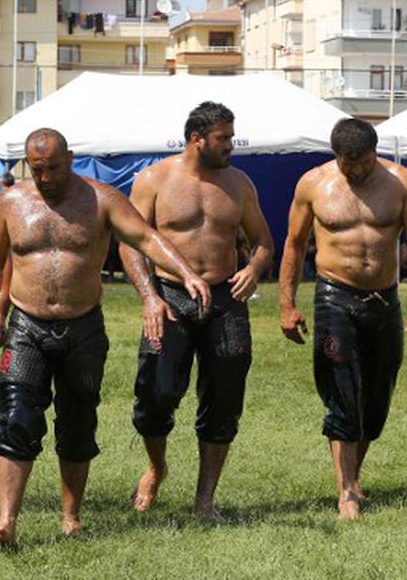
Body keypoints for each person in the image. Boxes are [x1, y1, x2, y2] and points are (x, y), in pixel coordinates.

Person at [0, 128, 210, 547]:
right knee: (15, 417)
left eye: (53, 167)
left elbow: (145, 237)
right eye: (37, 169)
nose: (45, 177)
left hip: (82, 328)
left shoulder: (102, 199)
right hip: (27, 326)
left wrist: (186, 273)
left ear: (70, 159)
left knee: (77, 421)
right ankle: (6, 522)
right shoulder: (10, 203)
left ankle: (71, 516)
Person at [119, 102, 274, 519]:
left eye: (231, 137)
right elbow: (131, 242)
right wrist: (149, 297)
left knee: (224, 398)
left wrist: (254, 269)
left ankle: (205, 499)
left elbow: (262, 240)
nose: (231, 145)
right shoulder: (154, 179)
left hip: (225, 299)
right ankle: (156, 467)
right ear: (196, 139)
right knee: (156, 394)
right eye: (223, 138)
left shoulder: (239, 184)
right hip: (170, 297)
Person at [278, 117, 407, 520]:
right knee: (341, 390)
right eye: (350, 165)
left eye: (365, 162)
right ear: (336, 157)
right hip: (335, 296)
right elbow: (294, 245)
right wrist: (287, 304)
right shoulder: (314, 184)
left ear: (375, 153)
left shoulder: (400, 182)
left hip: (384, 298)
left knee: (377, 398)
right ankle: (345, 489)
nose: (358, 171)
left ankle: (354, 473)